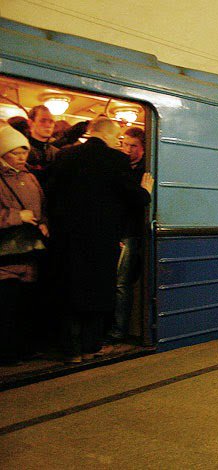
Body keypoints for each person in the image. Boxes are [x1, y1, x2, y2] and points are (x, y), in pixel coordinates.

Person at [47, 117, 153, 363]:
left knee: (70, 291)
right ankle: (90, 347)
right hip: (101, 240)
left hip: (66, 239)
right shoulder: (115, 160)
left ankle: (71, 351)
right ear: (107, 136)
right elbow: (133, 196)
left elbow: (50, 195)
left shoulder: (65, 156)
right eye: (117, 139)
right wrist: (145, 192)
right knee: (98, 292)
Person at [0, 125, 49, 365]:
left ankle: (24, 347)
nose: (22, 157)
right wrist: (16, 217)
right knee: (6, 306)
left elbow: (42, 207)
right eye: (15, 153)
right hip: (5, 254)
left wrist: (43, 223)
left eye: (24, 152)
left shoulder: (30, 177)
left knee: (26, 304)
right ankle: (7, 352)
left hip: (29, 250)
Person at [108, 127, 150, 343]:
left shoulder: (144, 171)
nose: (128, 149)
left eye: (134, 146)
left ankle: (118, 330)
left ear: (143, 149)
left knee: (121, 283)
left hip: (129, 232)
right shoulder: (120, 167)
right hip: (117, 231)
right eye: (125, 144)